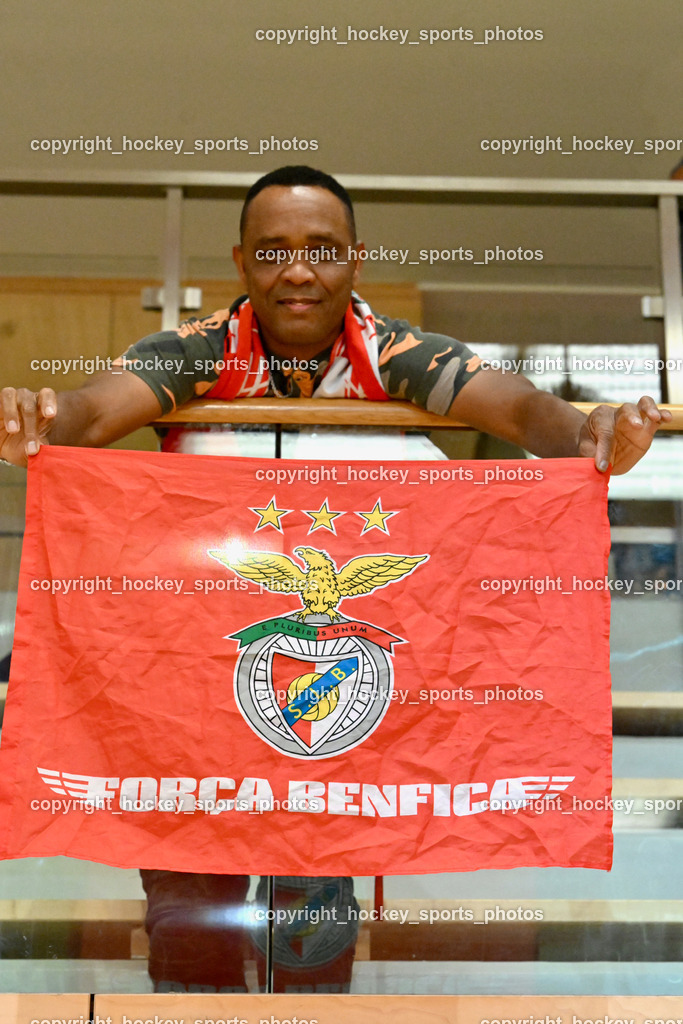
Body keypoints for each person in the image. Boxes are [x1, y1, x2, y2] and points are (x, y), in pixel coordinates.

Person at [0, 165, 672, 993]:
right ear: (241, 260)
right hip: (191, 693)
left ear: (355, 258)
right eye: (273, 250)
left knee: (312, 932)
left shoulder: (397, 353)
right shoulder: (195, 349)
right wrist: (40, 417)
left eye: (320, 249)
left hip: (333, 693)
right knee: (187, 929)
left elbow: (517, 405)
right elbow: (92, 413)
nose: (297, 270)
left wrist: (583, 429)